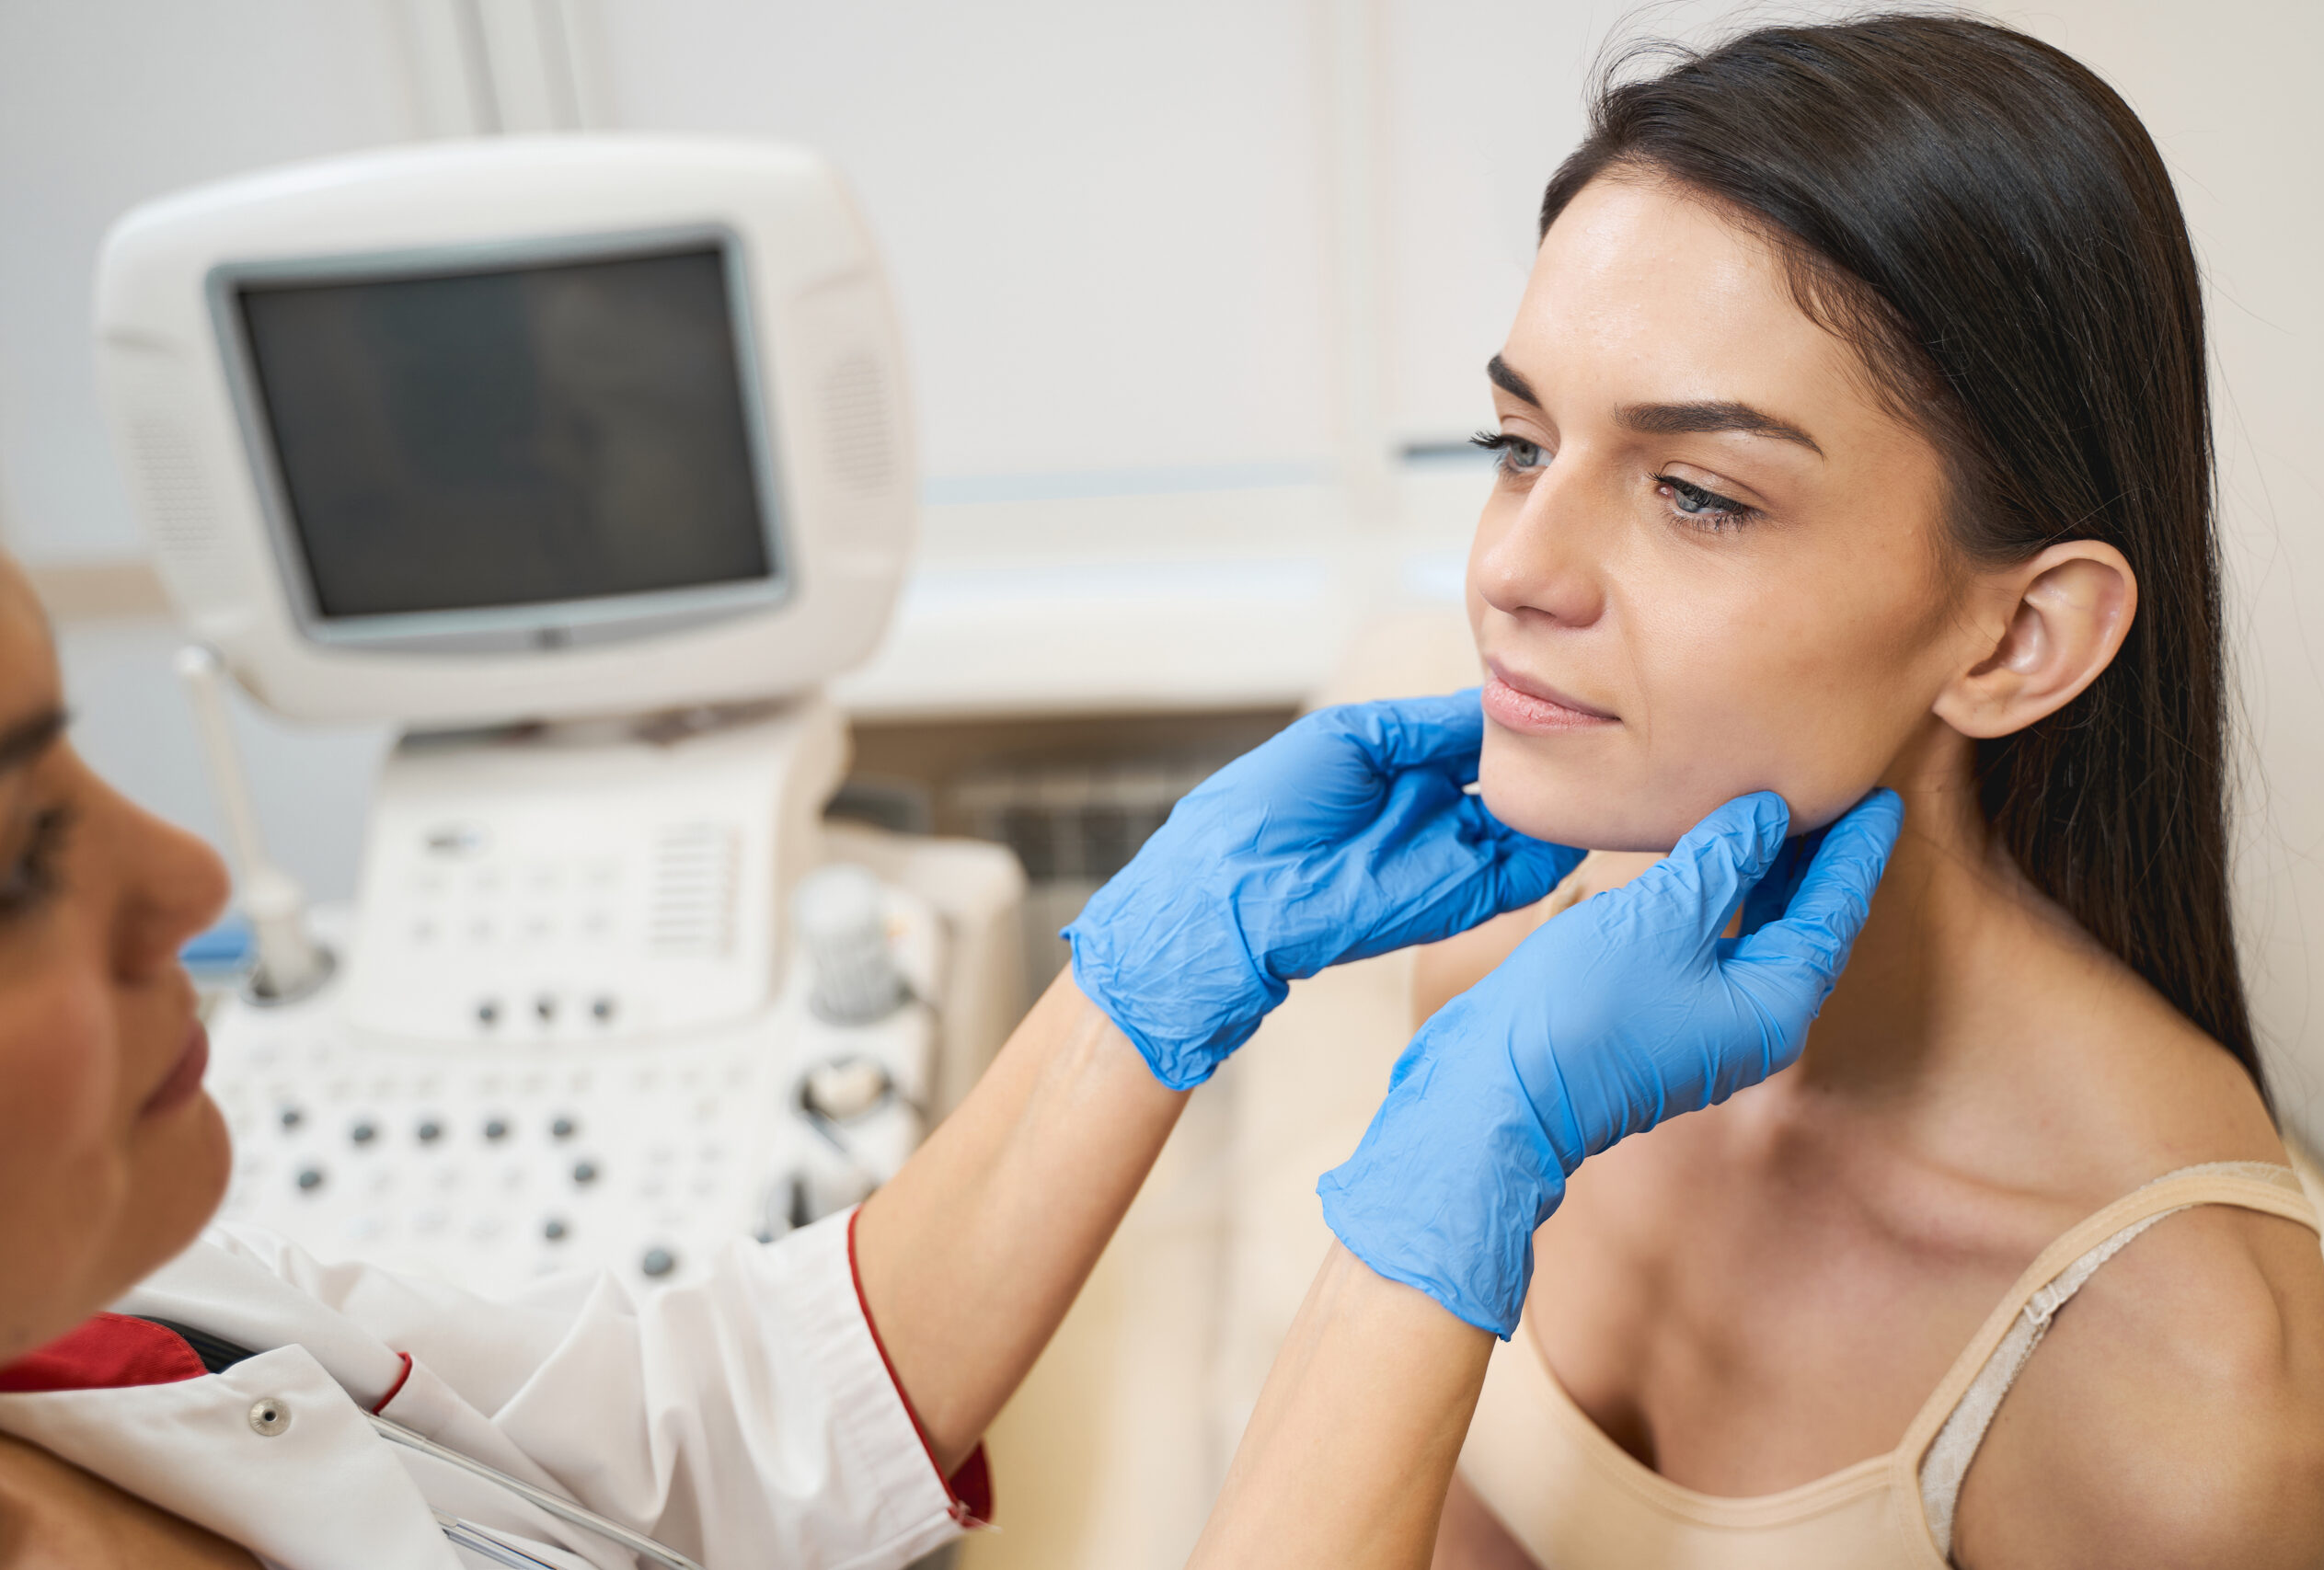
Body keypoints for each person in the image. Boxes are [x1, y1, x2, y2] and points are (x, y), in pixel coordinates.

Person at [0, 525, 1897, 1564]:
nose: (182, 868)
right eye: (16, 857)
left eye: (1701, 489)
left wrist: (1150, 978)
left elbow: (703, 1433)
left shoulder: (96, 1341)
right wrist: (1435, 1192)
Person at [1191, 15, 2324, 1570]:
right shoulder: (1519, 975)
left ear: (2019, 636)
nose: (1513, 570)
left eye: (1698, 494)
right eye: (1519, 444)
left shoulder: (2178, 1376)